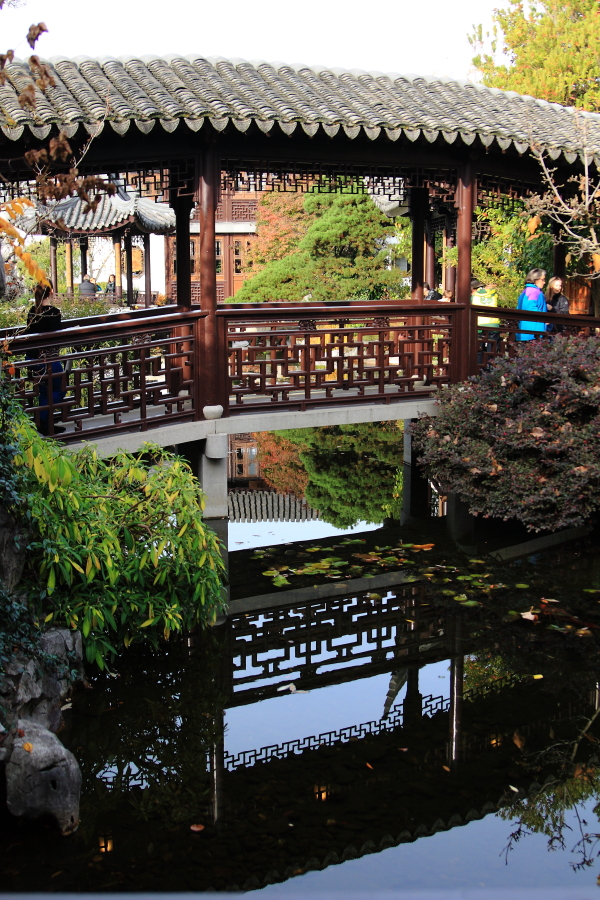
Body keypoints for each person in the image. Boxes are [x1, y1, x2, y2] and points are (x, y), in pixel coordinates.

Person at [25, 283, 66, 435]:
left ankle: (46, 425)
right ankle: (41, 418)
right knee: (60, 387)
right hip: (47, 359)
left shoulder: (32, 311)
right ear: (51, 293)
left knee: (44, 391)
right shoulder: (54, 312)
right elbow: (56, 335)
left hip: (32, 357)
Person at [471, 279, 500, 362]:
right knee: (492, 350)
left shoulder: (474, 296)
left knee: (479, 350)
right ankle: (491, 371)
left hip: (479, 325)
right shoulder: (494, 293)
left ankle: (479, 370)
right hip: (493, 324)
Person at [516, 268, 548, 341]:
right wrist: (545, 318)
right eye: (542, 279)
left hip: (524, 330)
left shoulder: (525, 291)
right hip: (534, 332)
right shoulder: (534, 292)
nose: (544, 282)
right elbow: (531, 309)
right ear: (535, 279)